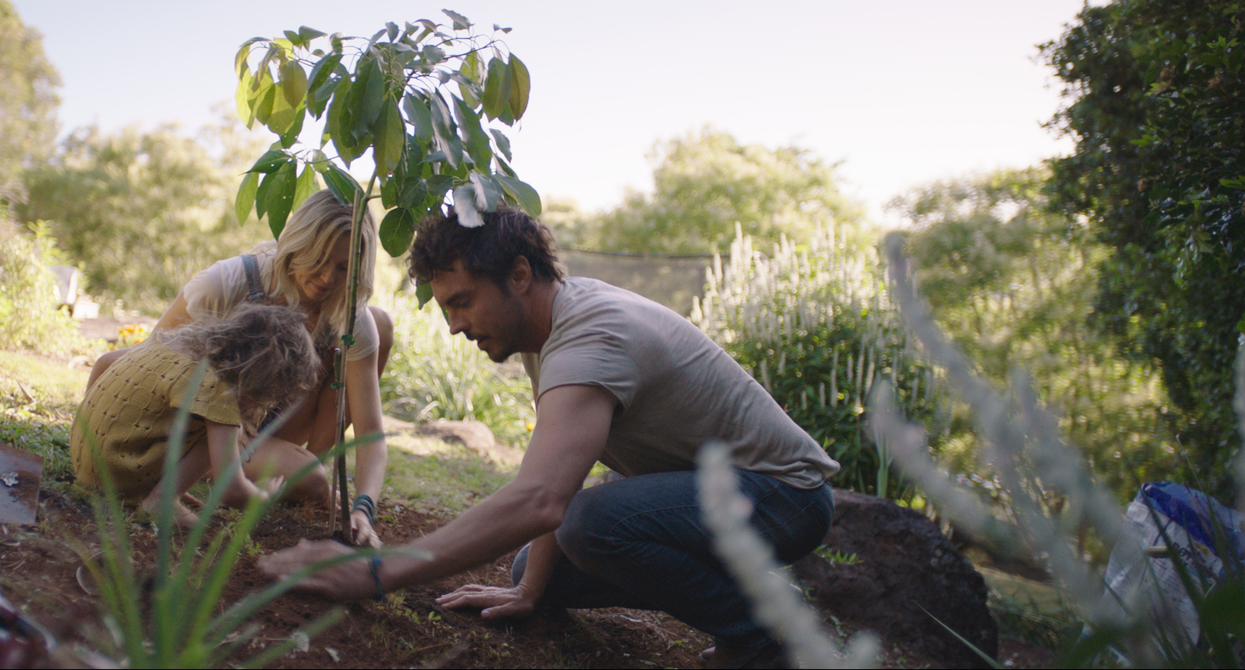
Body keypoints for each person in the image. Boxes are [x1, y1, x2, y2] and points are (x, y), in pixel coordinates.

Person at [259, 208, 841, 668]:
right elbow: (566, 471)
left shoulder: (594, 335)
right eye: (445, 308)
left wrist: (377, 570)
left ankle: (761, 634)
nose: (456, 326)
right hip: (719, 498)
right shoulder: (554, 328)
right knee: (532, 572)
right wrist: (531, 591)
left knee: (590, 525)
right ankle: (750, 596)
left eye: (463, 301)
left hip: (784, 498)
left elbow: (543, 498)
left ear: (519, 274)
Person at [86, 191, 394, 546]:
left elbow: (372, 431)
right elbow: (145, 365)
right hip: (206, 423)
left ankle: (296, 460)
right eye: (319, 258)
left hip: (267, 427)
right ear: (296, 243)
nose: (327, 277)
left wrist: (363, 507)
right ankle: (200, 470)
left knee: (311, 477)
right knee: (311, 481)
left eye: (343, 267)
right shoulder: (227, 283)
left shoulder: (350, 316)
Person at [71, 303, 320, 526]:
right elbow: (231, 491)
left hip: (85, 465)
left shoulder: (170, 342)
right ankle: (161, 502)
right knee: (227, 426)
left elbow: (106, 359)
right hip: (114, 478)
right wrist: (264, 496)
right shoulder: (216, 388)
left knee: (221, 421)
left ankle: (164, 489)